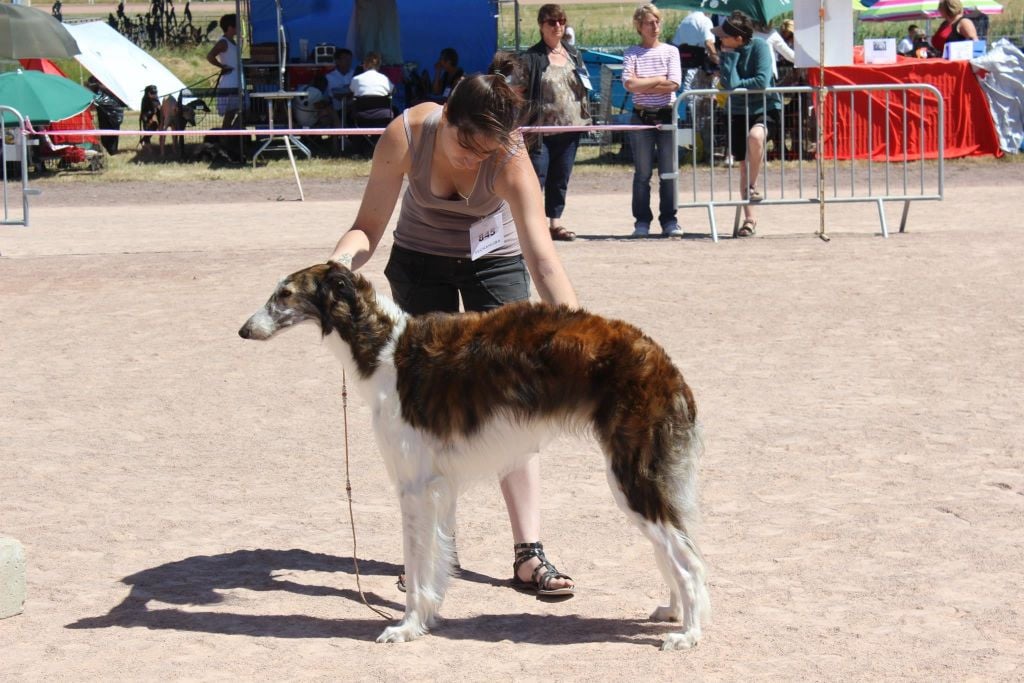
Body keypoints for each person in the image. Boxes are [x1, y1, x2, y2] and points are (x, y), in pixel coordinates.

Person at [326, 73, 578, 598]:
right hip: (420, 262)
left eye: (485, 152)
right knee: (427, 412)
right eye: (465, 145)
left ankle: (529, 553)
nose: (472, 160)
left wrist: (583, 332)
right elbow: (368, 227)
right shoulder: (406, 135)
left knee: (512, 404)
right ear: (445, 115)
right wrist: (339, 264)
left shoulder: (507, 157)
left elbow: (541, 256)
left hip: (494, 263)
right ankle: (437, 545)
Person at [522, 4, 591, 243]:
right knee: (536, 178)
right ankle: (531, 226)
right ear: (541, 26)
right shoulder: (532, 58)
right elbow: (520, 91)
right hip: (541, 131)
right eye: (552, 22)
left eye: (561, 21)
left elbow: (583, 88)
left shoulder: (573, 54)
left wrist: (587, 119)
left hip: (571, 128)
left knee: (560, 178)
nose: (558, 26)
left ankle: (554, 223)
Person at [714, 10, 782, 238]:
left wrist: (739, 84)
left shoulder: (761, 47)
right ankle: (750, 219)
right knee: (742, 163)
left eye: (725, 36)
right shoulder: (727, 53)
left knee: (756, 137)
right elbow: (729, 83)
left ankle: (752, 186)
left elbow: (762, 81)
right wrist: (730, 58)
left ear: (739, 37)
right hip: (737, 111)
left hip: (764, 108)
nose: (720, 40)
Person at [622, 3, 683, 238]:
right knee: (642, 173)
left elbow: (674, 84)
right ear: (639, 26)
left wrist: (644, 81)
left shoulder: (671, 51)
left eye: (657, 21)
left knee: (668, 172)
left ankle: (669, 219)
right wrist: (658, 79)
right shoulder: (632, 52)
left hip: (666, 115)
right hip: (641, 117)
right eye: (650, 22)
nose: (655, 26)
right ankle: (641, 220)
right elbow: (629, 84)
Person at [206, 13, 240, 129]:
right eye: (237, 25)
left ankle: (230, 136)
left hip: (236, 80)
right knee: (230, 114)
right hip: (230, 82)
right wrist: (222, 66)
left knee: (239, 112)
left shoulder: (233, 42)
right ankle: (225, 138)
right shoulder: (223, 42)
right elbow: (210, 56)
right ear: (230, 27)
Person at [672, 10, 719, 93]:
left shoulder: (685, 20)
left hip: (683, 66)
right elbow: (709, 43)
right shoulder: (705, 20)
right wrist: (718, 62)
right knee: (699, 97)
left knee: (686, 96)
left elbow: (675, 44)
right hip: (699, 69)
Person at [324, 48, 356, 117]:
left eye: (350, 59)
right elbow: (337, 96)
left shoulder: (355, 74)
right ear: (337, 61)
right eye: (345, 59)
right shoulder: (329, 77)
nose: (348, 61)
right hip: (337, 111)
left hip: (353, 109)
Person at [138, 85, 163, 155]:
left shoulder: (156, 98)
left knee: (154, 128)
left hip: (152, 117)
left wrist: (160, 121)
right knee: (147, 131)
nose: (155, 95)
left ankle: (143, 141)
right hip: (146, 117)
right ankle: (149, 150)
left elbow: (159, 110)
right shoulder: (145, 100)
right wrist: (149, 120)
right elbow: (145, 112)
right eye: (153, 93)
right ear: (148, 93)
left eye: (156, 93)